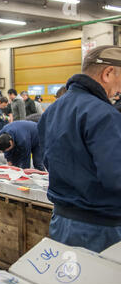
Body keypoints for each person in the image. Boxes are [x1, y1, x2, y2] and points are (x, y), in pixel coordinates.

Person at [38, 45, 121, 253]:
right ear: (108, 73)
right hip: (100, 228)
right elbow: (115, 176)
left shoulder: (54, 109)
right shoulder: (104, 114)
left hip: (62, 220)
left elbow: (47, 159)